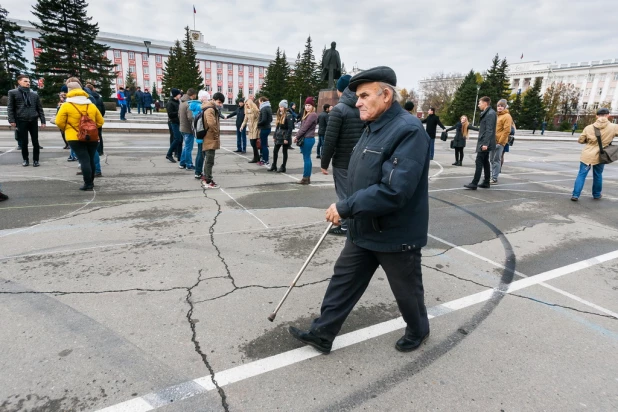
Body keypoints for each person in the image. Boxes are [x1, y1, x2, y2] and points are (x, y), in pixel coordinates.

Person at [289, 66, 431, 354]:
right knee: (343, 280)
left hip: (394, 233)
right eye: (357, 96)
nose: (358, 102)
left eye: (365, 95)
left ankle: (418, 329)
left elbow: (395, 190)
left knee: (406, 291)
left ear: (386, 95)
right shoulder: (372, 127)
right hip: (363, 226)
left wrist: (346, 206)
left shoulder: (409, 131)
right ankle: (322, 333)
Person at [321, 74, 364, 236]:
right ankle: (354, 222)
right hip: (360, 159)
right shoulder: (361, 107)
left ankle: (346, 226)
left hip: (343, 161)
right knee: (354, 192)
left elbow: (330, 140)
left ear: (340, 90)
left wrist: (324, 163)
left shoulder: (339, 110)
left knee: (344, 194)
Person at [55, 79, 104, 191]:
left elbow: (59, 121)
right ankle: (91, 182)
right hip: (92, 136)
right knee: (90, 159)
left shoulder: (66, 105)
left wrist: (67, 128)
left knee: (83, 159)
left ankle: (88, 184)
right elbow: (101, 121)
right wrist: (91, 127)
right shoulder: (91, 105)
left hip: (74, 137)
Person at [570, 108, 618, 201]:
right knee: (598, 174)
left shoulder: (588, 127)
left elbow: (580, 140)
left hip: (587, 155)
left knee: (581, 174)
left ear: (597, 116)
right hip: (601, 155)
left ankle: (575, 195)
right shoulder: (614, 127)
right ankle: (596, 194)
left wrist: (590, 141)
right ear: (608, 115)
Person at [8, 75, 47, 167]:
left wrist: (43, 120)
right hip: (21, 120)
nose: (28, 83)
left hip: (33, 120)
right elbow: (10, 107)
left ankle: (36, 160)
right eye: (25, 81)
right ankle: (25, 159)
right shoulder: (13, 92)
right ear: (19, 82)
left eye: (29, 81)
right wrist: (11, 120)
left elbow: (39, 108)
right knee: (24, 142)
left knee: (35, 141)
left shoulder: (34, 94)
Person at [464, 96, 496, 190]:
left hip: (485, 142)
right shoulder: (488, 113)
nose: (478, 105)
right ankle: (486, 182)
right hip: (485, 141)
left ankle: (474, 183)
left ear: (485, 103)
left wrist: (485, 144)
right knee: (485, 162)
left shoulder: (490, 114)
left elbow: (489, 130)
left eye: (480, 103)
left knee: (479, 161)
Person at [200, 92, 225, 189]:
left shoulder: (212, 108)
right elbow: (211, 124)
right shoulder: (210, 109)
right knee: (210, 160)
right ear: (213, 100)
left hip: (209, 137)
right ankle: (208, 180)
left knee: (208, 160)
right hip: (210, 138)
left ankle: (207, 177)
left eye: (221, 103)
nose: (220, 104)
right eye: (219, 102)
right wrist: (216, 135)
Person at [295, 97, 318, 185]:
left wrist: (296, 136)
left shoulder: (312, 115)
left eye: (309, 105)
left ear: (312, 106)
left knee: (307, 158)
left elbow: (304, 128)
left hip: (308, 139)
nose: (307, 107)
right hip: (307, 138)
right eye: (306, 105)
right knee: (307, 158)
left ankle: (305, 178)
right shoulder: (308, 114)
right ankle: (307, 178)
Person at [490, 99, 513, 184]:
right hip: (493, 141)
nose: (499, 107)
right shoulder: (497, 115)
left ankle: (494, 178)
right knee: (491, 160)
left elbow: (507, 130)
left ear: (504, 107)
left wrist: (500, 142)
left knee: (496, 160)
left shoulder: (507, 116)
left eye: (501, 106)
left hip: (499, 142)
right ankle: (492, 176)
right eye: (498, 106)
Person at [269, 100, 294, 173]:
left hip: (285, 135)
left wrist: (286, 138)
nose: (280, 108)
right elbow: (277, 126)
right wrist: (274, 136)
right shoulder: (280, 115)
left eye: (282, 107)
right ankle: (274, 165)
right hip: (279, 135)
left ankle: (283, 166)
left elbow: (290, 128)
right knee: (275, 151)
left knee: (284, 151)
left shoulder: (289, 115)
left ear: (285, 107)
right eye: (279, 107)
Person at [178, 88, 197, 170]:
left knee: (186, 147)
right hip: (188, 128)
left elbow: (179, 115)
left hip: (182, 127)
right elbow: (190, 117)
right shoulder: (189, 104)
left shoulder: (182, 103)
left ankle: (182, 163)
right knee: (188, 147)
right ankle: (189, 164)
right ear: (193, 95)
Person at [193, 90, 210, 179]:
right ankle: (198, 172)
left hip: (198, 132)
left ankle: (198, 171)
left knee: (200, 153)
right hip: (202, 132)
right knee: (201, 153)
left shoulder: (195, 107)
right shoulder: (201, 107)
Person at [85, 83, 106, 156]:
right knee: (99, 135)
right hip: (98, 119)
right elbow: (103, 109)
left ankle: (93, 151)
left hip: (89, 120)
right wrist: (100, 117)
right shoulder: (98, 97)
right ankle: (100, 151)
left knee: (90, 136)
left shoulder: (87, 98)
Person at [165, 88, 183, 163]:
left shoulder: (178, 102)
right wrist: (178, 112)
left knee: (180, 139)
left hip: (179, 122)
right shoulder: (170, 103)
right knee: (177, 139)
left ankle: (180, 156)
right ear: (176, 95)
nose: (180, 95)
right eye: (179, 94)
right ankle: (169, 154)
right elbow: (170, 114)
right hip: (174, 122)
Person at [242, 98, 261, 163]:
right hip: (250, 128)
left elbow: (258, 117)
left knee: (254, 142)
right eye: (246, 104)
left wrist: (253, 109)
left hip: (255, 127)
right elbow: (245, 120)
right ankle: (256, 156)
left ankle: (257, 157)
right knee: (252, 143)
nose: (246, 105)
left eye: (247, 104)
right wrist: (242, 126)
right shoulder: (246, 111)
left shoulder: (255, 110)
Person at [257, 97, 273, 166]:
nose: (259, 103)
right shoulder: (269, 108)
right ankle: (265, 160)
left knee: (264, 145)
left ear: (262, 101)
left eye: (259, 102)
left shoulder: (263, 108)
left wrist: (258, 124)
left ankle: (265, 160)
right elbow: (271, 119)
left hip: (264, 128)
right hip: (268, 128)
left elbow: (263, 120)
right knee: (265, 145)